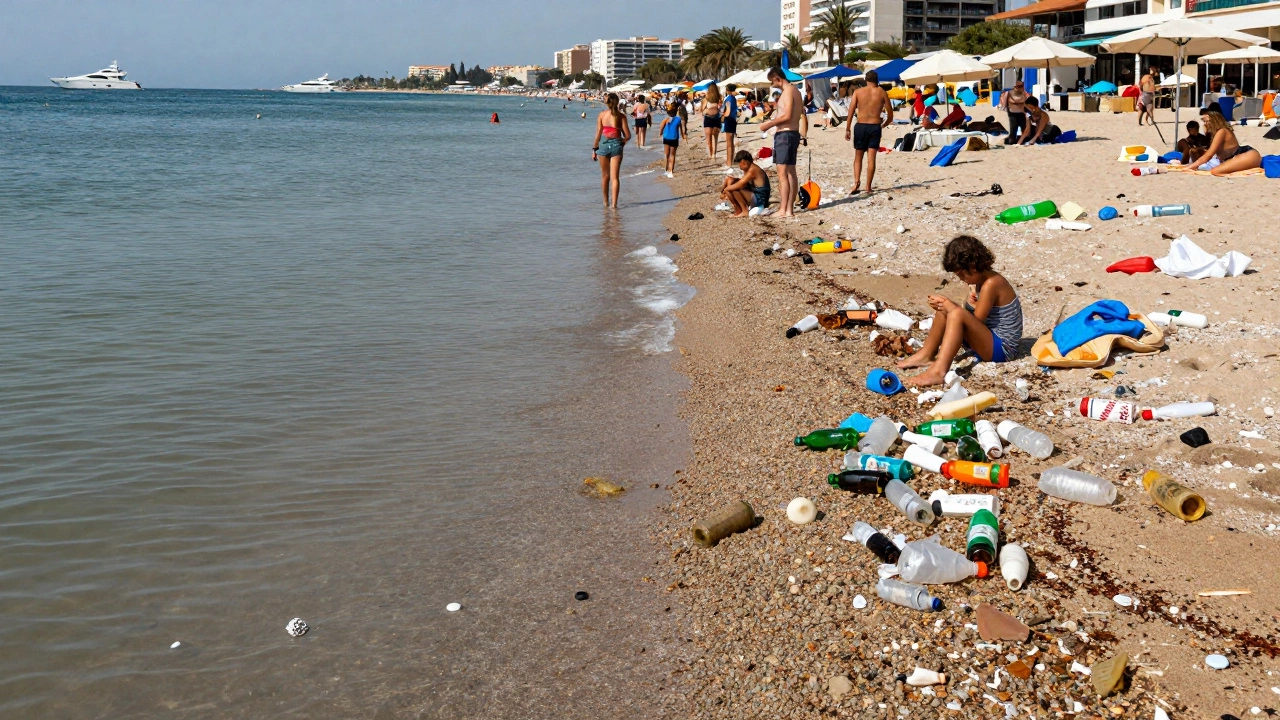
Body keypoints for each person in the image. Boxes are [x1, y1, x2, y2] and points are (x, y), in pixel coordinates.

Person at [897, 235, 1023, 387]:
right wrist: (965, 303)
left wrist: (953, 306)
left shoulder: (991, 284)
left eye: (963, 274)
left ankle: (938, 372)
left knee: (954, 311)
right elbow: (976, 317)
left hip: (1003, 348)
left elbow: (976, 321)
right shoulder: (981, 281)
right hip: (989, 340)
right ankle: (927, 354)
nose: (962, 279)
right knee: (944, 310)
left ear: (974, 266)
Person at [760, 67, 805, 219]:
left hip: (785, 134)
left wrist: (769, 124)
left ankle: (784, 209)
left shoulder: (788, 91)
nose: (772, 85)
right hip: (792, 133)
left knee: (782, 174)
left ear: (778, 78)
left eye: (772, 81)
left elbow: (787, 115)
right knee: (790, 172)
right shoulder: (796, 91)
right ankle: (789, 209)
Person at [844, 69, 892, 196]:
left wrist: (847, 128)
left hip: (860, 126)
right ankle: (868, 186)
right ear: (877, 81)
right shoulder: (882, 92)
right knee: (872, 158)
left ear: (866, 80)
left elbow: (850, 111)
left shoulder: (858, 92)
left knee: (858, 156)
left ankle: (856, 182)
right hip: (875, 126)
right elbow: (890, 114)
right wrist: (883, 125)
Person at [1185, 108, 1262, 175]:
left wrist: (1191, 166)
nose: (1205, 124)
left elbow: (1209, 155)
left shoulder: (1222, 132)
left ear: (1214, 121)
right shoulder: (1217, 132)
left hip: (1247, 155)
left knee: (1216, 171)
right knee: (1216, 170)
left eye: (1207, 121)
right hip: (1240, 155)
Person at [592, 93, 631, 208]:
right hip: (616, 145)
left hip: (603, 145)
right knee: (615, 177)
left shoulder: (602, 115)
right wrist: (622, 142)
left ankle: (605, 203)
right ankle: (614, 205)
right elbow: (627, 135)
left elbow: (598, 133)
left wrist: (594, 149)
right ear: (617, 102)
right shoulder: (621, 116)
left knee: (605, 176)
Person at [720, 150, 772, 217]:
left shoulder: (752, 170)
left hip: (760, 199)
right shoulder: (749, 168)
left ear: (744, 162)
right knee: (730, 181)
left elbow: (740, 184)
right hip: (755, 194)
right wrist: (728, 181)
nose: (739, 166)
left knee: (734, 189)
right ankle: (739, 209)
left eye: (740, 163)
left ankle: (744, 211)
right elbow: (743, 182)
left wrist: (726, 189)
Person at [659, 101, 687, 179]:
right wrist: (683, 136)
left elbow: (661, 127)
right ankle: (671, 171)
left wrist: (660, 133)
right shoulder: (678, 119)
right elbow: (681, 129)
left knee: (667, 154)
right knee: (672, 155)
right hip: (674, 138)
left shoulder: (666, 119)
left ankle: (666, 169)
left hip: (666, 138)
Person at [999, 81, 1028, 145]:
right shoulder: (1008, 93)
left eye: (1021, 86)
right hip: (1012, 113)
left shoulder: (1024, 93)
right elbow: (1004, 104)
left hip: (1022, 113)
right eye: (1019, 86)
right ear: (1015, 87)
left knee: (1024, 128)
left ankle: (1022, 139)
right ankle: (1012, 140)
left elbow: (1027, 103)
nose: (1020, 88)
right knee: (1013, 129)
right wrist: (1005, 109)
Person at [701, 83, 723, 161]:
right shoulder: (719, 98)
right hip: (717, 118)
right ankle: (714, 154)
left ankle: (711, 154)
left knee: (708, 138)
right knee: (715, 138)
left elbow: (702, 110)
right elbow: (722, 108)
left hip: (708, 118)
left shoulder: (706, 99)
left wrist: (706, 110)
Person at [721, 84, 739, 169]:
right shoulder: (734, 98)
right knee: (731, 143)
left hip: (729, 120)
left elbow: (727, 111)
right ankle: (730, 161)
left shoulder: (728, 99)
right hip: (733, 120)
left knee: (728, 143)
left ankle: (729, 163)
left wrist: (722, 117)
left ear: (728, 90)